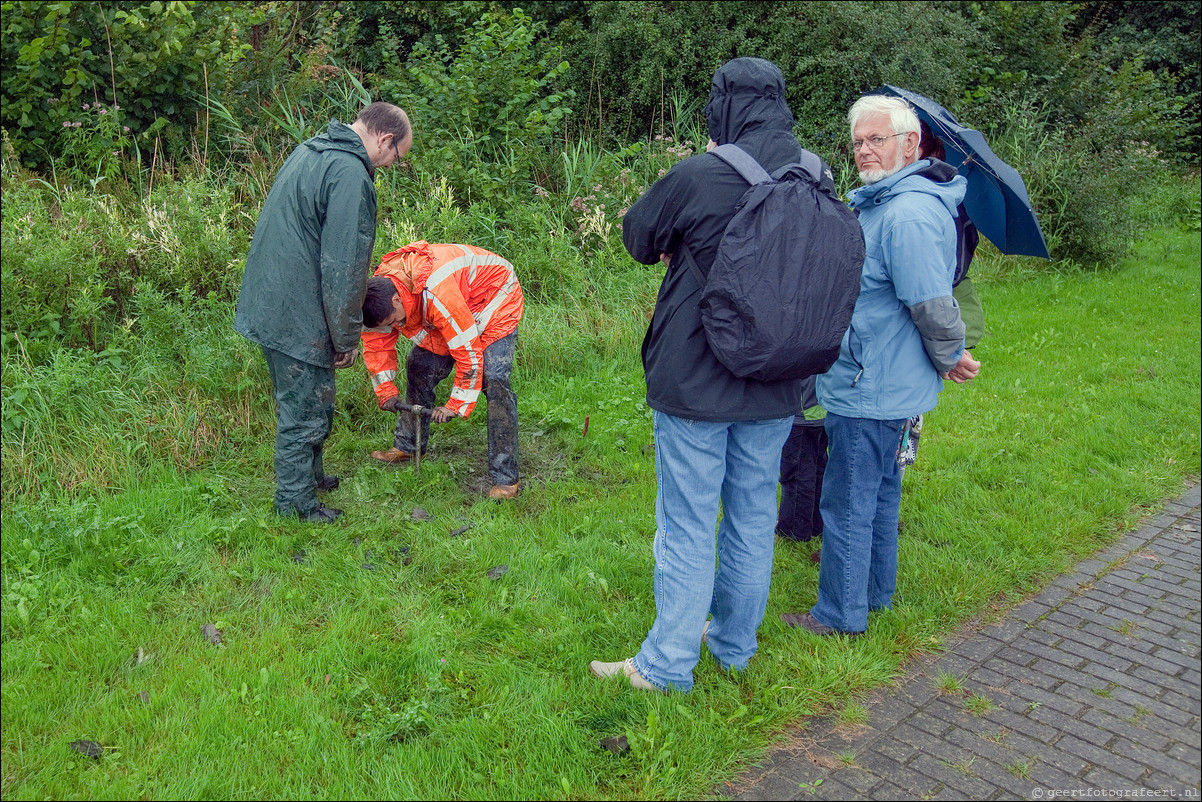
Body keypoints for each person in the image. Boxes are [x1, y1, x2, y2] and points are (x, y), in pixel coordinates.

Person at [590, 58, 831, 692]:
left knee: (689, 523)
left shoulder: (700, 175)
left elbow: (638, 236)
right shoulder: (816, 174)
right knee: (752, 517)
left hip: (697, 379)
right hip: (781, 379)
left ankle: (667, 666)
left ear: (722, 108)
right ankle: (733, 648)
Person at [780, 94, 980, 637]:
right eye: (859, 142)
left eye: (877, 140)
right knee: (879, 492)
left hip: (873, 385)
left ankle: (839, 615)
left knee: (847, 501)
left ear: (910, 143)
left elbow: (930, 303)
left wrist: (951, 354)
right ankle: (874, 596)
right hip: (879, 379)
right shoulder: (884, 202)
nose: (864, 151)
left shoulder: (907, 213)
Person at [234, 101, 411, 523]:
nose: (390, 164)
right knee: (305, 412)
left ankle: (309, 478)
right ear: (384, 139)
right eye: (396, 156)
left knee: (309, 401)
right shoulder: (350, 174)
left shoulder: (311, 150)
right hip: (297, 310)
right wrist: (347, 336)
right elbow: (344, 266)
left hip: (271, 300)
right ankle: (295, 506)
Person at [360, 241, 524, 499]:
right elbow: (376, 343)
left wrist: (455, 405)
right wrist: (386, 392)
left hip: (494, 299)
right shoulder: (376, 294)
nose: (397, 326)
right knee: (419, 366)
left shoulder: (437, 292)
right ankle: (408, 446)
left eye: (396, 320)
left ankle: (505, 478)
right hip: (455, 301)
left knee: (493, 378)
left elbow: (467, 351)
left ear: (396, 299)